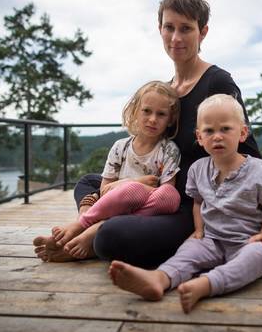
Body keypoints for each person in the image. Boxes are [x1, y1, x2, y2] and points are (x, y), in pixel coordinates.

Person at [35, 0, 262, 273]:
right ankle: (85, 228)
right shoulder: (166, 93)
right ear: (159, 29)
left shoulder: (217, 83)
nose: (176, 38)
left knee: (113, 237)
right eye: (169, 27)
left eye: (186, 28)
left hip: (190, 204)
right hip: (149, 190)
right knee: (88, 181)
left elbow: (249, 158)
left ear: (203, 32)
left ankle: (96, 232)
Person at [109, 94, 262, 313]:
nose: (217, 137)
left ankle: (207, 284)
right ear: (199, 137)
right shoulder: (198, 169)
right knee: (187, 252)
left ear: (242, 133)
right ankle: (159, 278)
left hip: (246, 241)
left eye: (225, 129)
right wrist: (199, 230)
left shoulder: (257, 170)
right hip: (210, 240)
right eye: (209, 131)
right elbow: (198, 202)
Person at [34, 80, 182, 260]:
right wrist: (133, 183)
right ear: (135, 111)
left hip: (142, 210)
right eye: (147, 111)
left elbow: (166, 193)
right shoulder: (121, 147)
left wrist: (134, 187)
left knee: (169, 194)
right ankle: (85, 224)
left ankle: (89, 229)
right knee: (88, 181)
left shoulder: (169, 150)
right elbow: (105, 190)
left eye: (161, 114)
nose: (152, 119)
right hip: (113, 204)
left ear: (170, 120)